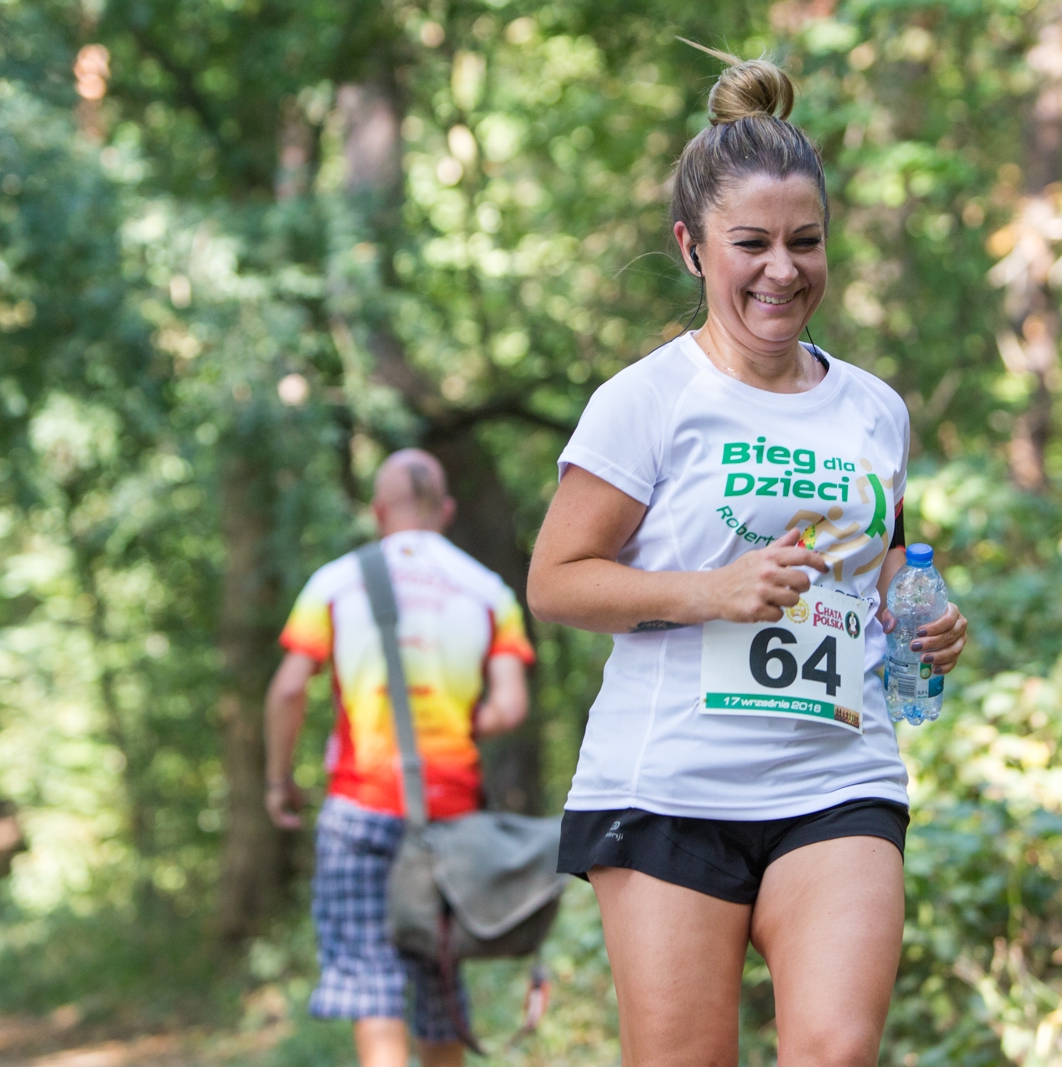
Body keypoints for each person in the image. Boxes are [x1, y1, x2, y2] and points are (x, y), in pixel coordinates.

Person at [526, 54, 969, 1067]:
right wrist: (711, 592)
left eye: (805, 242)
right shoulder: (647, 400)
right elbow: (555, 580)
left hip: (839, 771)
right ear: (693, 247)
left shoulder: (874, 407)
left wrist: (922, 614)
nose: (782, 269)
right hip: (670, 783)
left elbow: (881, 558)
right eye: (752, 244)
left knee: (835, 1049)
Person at [264, 449, 535, 1067]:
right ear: (446, 511)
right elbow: (509, 707)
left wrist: (279, 779)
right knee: (440, 983)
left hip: (359, 806)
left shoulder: (336, 582)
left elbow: (288, 689)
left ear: (378, 511)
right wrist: (457, 720)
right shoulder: (488, 591)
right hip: (451, 816)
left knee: (371, 986)